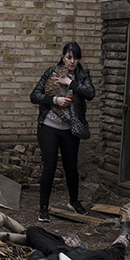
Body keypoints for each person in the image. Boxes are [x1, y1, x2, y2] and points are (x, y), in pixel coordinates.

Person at [30, 41, 96, 222]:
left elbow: (90, 94)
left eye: (75, 58)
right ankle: (43, 208)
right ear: (63, 57)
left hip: (70, 129)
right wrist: (55, 99)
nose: (72, 61)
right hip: (49, 127)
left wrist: (71, 82)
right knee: (49, 167)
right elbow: (34, 96)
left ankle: (73, 202)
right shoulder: (51, 72)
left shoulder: (82, 75)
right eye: (69, 57)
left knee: (71, 167)